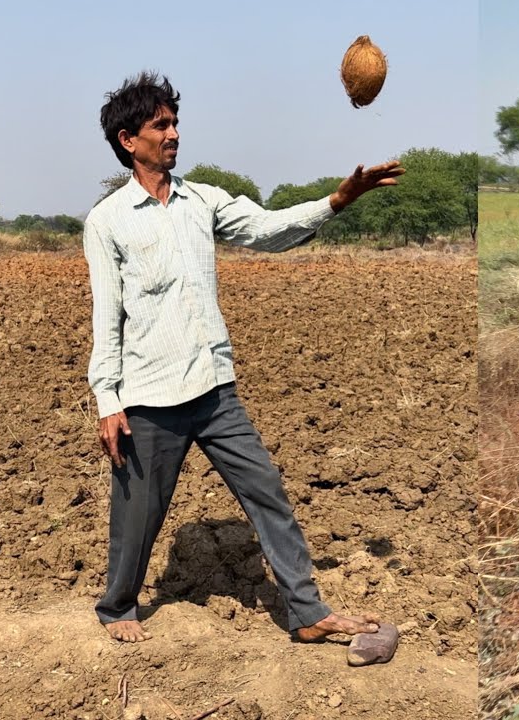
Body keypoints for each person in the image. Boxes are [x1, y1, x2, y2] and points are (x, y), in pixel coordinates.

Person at [84, 72, 403, 645]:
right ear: (129, 140)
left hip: (214, 390)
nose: (174, 133)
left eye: (175, 122)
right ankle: (118, 607)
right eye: (161, 125)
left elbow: (267, 229)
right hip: (150, 398)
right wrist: (108, 399)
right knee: (137, 516)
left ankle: (307, 611)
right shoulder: (107, 221)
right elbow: (107, 317)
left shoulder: (202, 201)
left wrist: (337, 201)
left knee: (266, 493)